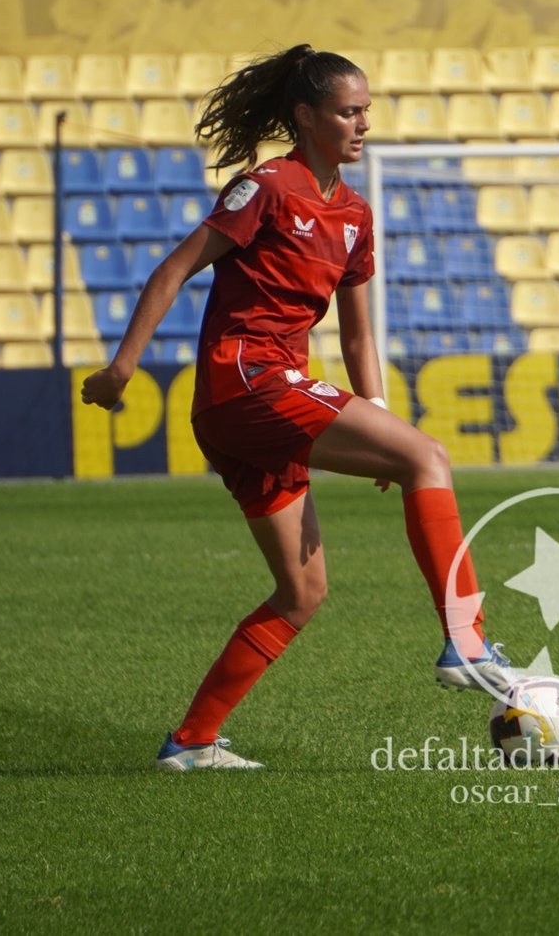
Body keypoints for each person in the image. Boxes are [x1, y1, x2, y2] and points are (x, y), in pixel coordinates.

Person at [81, 45, 511, 772]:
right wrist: (123, 364)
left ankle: (189, 743)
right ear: (307, 117)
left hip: (261, 400)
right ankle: (466, 639)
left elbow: (358, 330)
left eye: (367, 110)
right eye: (349, 111)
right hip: (246, 379)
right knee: (429, 457)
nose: (363, 123)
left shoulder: (353, 212)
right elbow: (175, 267)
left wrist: (377, 414)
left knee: (302, 589)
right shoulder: (268, 187)